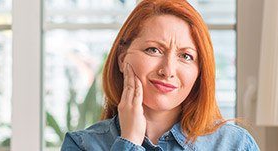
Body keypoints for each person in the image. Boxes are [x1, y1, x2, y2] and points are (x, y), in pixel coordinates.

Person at [61, 0, 260, 150]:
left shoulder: (235, 145)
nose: (168, 70)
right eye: (153, 50)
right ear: (122, 58)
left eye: (186, 56)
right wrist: (129, 141)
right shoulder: (82, 145)